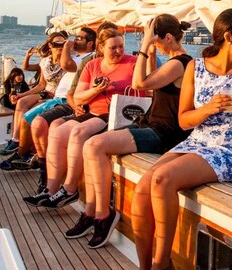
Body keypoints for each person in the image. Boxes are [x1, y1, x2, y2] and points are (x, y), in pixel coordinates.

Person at [129, 8, 232, 270]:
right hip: (197, 142)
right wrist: (209, 109)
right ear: (229, 37)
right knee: (143, 187)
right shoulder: (195, 67)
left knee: (164, 179)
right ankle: (145, 268)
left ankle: (161, 265)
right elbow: (183, 121)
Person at [65, 15, 193, 249]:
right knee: (91, 145)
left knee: (95, 145)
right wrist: (150, 51)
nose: (155, 46)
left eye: (156, 42)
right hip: (150, 124)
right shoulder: (174, 62)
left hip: (165, 132)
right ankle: (92, 211)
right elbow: (148, 82)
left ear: (167, 38)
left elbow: (139, 84)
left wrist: (144, 46)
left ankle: (104, 215)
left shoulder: (180, 63)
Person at [23, 27, 137, 208]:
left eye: (121, 46)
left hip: (116, 115)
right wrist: (96, 90)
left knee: (78, 132)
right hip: (93, 112)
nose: (118, 51)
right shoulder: (92, 65)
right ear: (101, 47)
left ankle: (69, 190)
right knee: (57, 132)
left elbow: (145, 90)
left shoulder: (133, 63)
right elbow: (78, 97)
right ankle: (50, 189)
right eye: (113, 48)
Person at [0, 32, 68, 155]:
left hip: (58, 95)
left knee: (32, 108)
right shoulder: (45, 62)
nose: (60, 47)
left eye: (63, 44)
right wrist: (22, 95)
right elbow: (41, 84)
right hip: (46, 92)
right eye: (56, 44)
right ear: (50, 45)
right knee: (21, 101)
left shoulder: (68, 62)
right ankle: (16, 139)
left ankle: (25, 146)